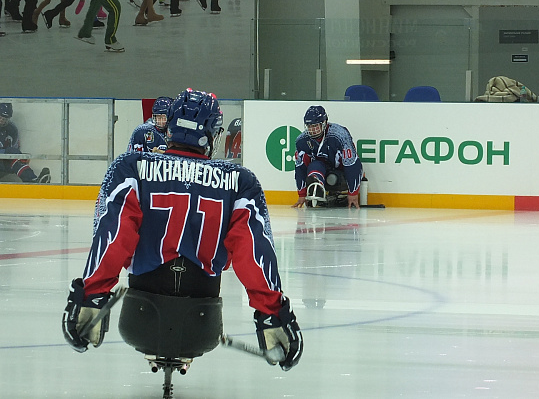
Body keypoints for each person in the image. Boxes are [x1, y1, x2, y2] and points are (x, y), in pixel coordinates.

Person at [60, 88, 303, 372]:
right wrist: (272, 312)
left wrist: (91, 294)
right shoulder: (241, 181)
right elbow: (254, 251)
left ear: (170, 125)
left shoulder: (130, 168)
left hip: (139, 317)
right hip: (202, 322)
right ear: (212, 133)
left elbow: (113, 234)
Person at [292, 105, 362, 209]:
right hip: (320, 168)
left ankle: (323, 187)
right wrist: (302, 194)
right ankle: (315, 186)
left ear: (324, 123)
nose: (312, 130)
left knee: (333, 178)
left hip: (340, 171)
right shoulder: (302, 141)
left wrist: (353, 193)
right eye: (309, 126)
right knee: (315, 165)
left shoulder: (340, 135)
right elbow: (300, 167)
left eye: (315, 126)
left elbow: (352, 163)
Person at [0, 103, 50, 183]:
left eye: (5, 119)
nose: (2, 121)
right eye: (1, 117)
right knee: (12, 153)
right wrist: (6, 152)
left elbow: (15, 149)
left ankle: (32, 181)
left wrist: (21, 157)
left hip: (3, 163)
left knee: (17, 161)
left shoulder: (12, 129)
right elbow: (10, 151)